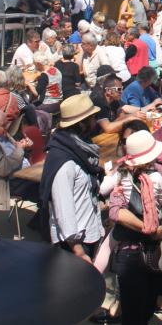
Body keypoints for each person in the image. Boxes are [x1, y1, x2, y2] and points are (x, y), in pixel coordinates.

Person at [108, 130, 162, 325]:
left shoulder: (156, 173)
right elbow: (116, 212)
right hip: (133, 254)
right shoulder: (122, 176)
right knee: (133, 312)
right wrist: (149, 228)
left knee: (147, 305)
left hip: (152, 251)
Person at [39, 94, 106, 260]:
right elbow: (63, 209)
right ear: (81, 124)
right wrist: (79, 251)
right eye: (93, 118)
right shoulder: (64, 162)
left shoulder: (80, 149)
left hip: (89, 232)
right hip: (73, 245)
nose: (95, 121)